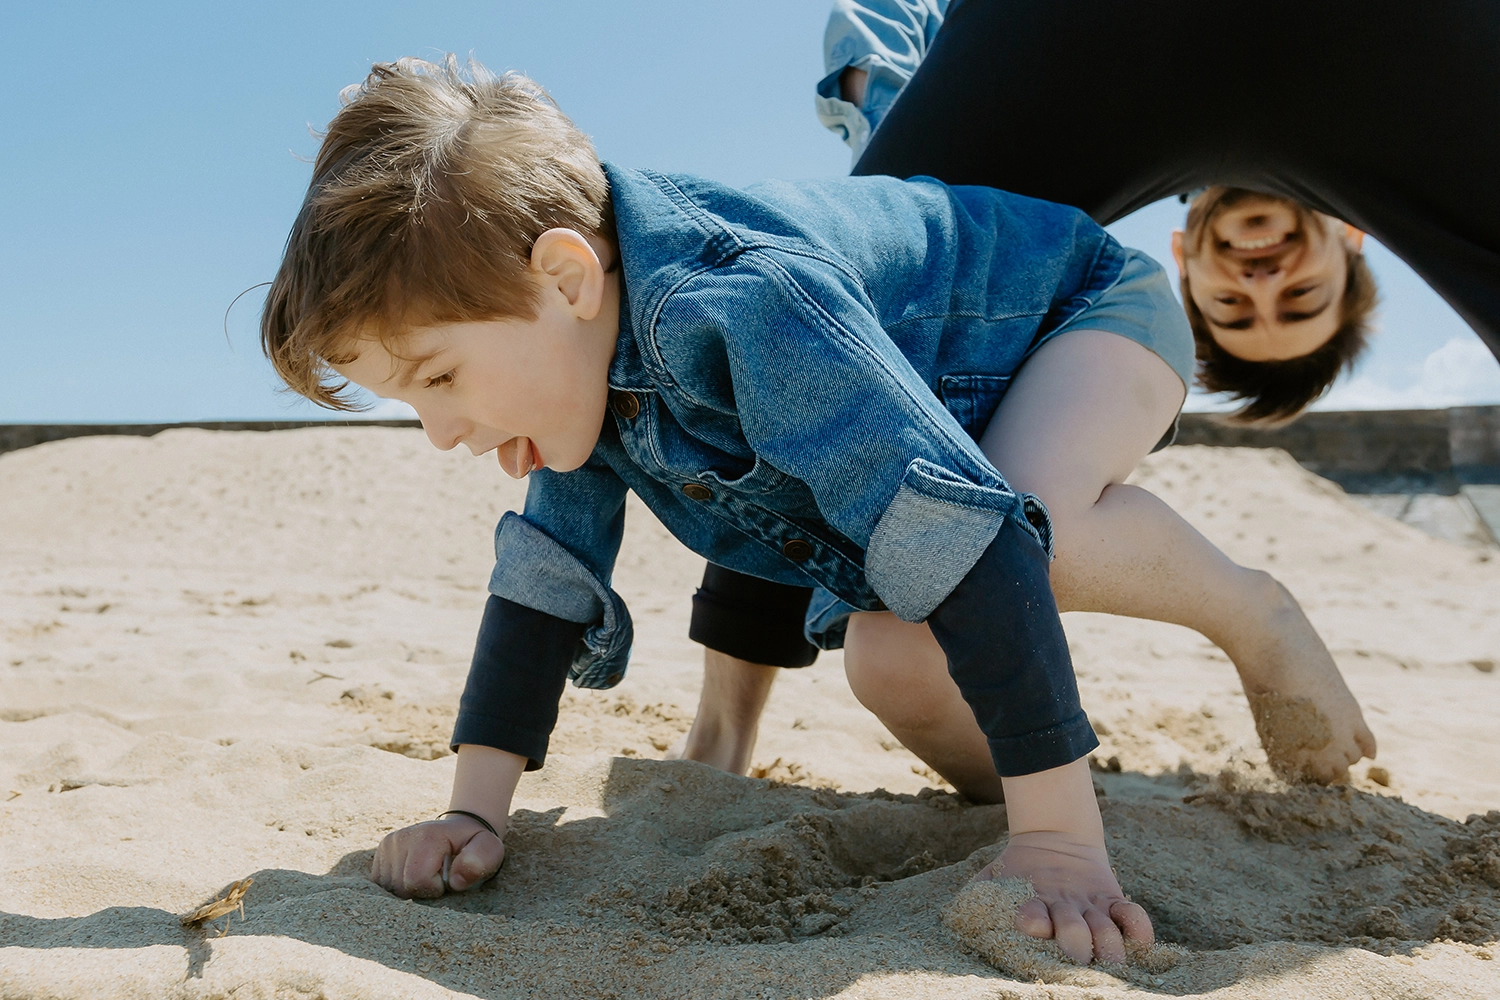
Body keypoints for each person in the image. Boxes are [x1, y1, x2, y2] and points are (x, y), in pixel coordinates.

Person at [252, 54, 1321, 964]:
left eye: (439, 378)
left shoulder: (743, 303)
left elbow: (967, 533)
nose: (440, 431)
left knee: (1023, 531)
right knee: (892, 659)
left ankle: (1248, 613)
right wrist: (473, 810)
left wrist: (1060, 851)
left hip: (1072, 314)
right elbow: (546, 578)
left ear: (566, 278)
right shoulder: (579, 362)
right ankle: (1031, 797)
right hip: (930, 413)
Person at [675, 0, 1395, 795]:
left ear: (1185, 260)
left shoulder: (1063, 220)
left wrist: (874, 84)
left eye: (1232, 310)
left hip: (992, 347)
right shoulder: (1307, 81)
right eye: (1300, 299)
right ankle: (1233, 619)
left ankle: (1052, 796)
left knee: (894, 656)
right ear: (1351, 234)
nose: (1262, 283)